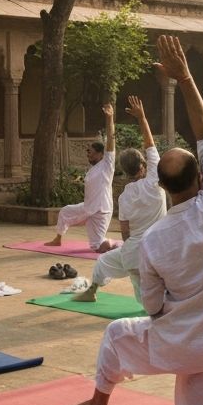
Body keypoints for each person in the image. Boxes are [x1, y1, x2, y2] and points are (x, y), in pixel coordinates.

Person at [64, 36, 203, 405]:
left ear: (164, 187)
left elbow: (152, 306)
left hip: (182, 342)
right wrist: (185, 77)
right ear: (202, 177)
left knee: (117, 334)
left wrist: (179, 311)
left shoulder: (153, 240)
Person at [75, 95, 166, 304]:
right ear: (143, 166)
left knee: (104, 263)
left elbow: (125, 232)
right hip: (159, 252)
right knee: (152, 298)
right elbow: (150, 146)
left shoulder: (124, 196)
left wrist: (130, 249)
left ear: (125, 171)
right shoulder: (154, 180)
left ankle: (92, 290)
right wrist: (141, 117)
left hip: (134, 254)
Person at [45, 105, 116, 251]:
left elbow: (111, 139)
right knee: (65, 211)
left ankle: (117, 246)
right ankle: (57, 239)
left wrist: (109, 118)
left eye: (90, 151)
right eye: (87, 151)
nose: (88, 154)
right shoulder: (93, 169)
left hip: (100, 211)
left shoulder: (107, 165)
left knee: (97, 246)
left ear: (101, 154)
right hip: (88, 208)